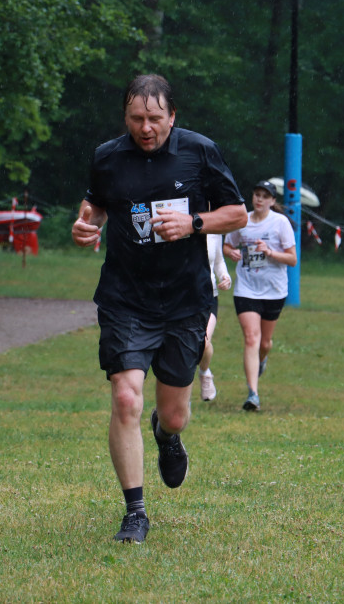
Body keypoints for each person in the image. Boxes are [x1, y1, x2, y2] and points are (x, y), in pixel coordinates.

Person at [71, 74, 247, 544]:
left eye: (154, 118)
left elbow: (237, 214)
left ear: (172, 116)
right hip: (126, 298)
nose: (145, 128)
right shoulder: (108, 156)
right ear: (124, 117)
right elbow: (97, 203)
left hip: (185, 300)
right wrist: (86, 224)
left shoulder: (200, 151)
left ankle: (167, 437)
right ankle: (135, 512)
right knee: (126, 396)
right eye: (135, 118)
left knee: (173, 414)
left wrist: (192, 222)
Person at [223, 180, 297, 412]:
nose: (259, 199)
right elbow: (226, 246)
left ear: (273, 201)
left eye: (265, 196)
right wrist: (231, 252)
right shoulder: (242, 220)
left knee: (264, 343)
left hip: (274, 290)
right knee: (251, 339)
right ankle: (253, 394)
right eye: (257, 194)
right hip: (246, 288)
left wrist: (270, 252)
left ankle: (262, 360)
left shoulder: (280, 223)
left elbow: (292, 259)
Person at [198, 233, 231, 402]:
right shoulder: (178, 224)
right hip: (180, 297)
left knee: (203, 342)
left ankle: (205, 373)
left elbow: (218, 261)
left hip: (209, 296)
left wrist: (225, 277)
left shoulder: (214, 230)